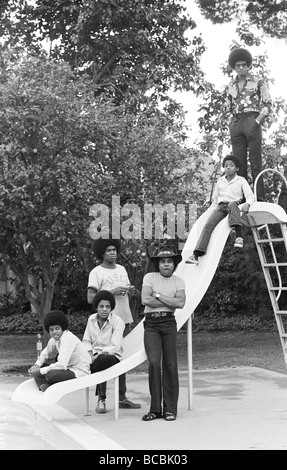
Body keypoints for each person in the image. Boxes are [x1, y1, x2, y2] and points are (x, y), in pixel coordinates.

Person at [87, 237, 141, 409]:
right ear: (102, 252)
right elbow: (90, 298)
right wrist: (111, 292)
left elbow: (127, 295)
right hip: (105, 322)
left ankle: (121, 397)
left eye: (114, 250)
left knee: (121, 359)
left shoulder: (122, 269)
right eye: (109, 250)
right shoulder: (96, 272)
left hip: (123, 320)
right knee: (102, 358)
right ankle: (101, 398)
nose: (113, 253)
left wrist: (131, 292)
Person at [141, 248, 186, 422]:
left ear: (174, 264)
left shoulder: (179, 281)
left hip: (168, 323)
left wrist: (158, 295)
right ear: (157, 264)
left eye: (169, 261)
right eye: (162, 261)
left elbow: (180, 303)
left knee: (170, 364)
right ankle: (155, 409)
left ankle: (170, 409)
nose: (166, 264)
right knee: (153, 362)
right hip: (151, 324)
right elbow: (146, 300)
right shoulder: (149, 278)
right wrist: (169, 300)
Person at [185, 155, 255, 265]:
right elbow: (215, 199)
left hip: (234, 205)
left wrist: (248, 204)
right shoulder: (220, 181)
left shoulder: (241, 180)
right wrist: (209, 211)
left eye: (231, 166)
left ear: (236, 168)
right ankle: (197, 254)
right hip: (221, 207)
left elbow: (250, 196)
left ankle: (239, 236)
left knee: (232, 204)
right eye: (226, 166)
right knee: (208, 226)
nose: (228, 168)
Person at [225, 44, 272, 201]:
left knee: (255, 162)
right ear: (234, 67)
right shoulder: (230, 86)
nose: (241, 68)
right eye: (238, 66)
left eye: (244, 65)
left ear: (248, 65)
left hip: (252, 120)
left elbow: (267, 104)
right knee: (239, 164)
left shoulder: (258, 82)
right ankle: (243, 199)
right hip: (237, 123)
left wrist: (257, 121)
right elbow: (227, 108)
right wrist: (231, 123)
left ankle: (259, 199)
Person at [82, 290, 125, 414]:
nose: (104, 309)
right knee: (81, 358)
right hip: (93, 356)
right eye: (101, 306)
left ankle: (101, 399)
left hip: (112, 356)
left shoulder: (118, 322)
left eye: (108, 307)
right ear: (96, 307)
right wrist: (90, 355)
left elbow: (114, 346)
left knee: (102, 360)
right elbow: (86, 341)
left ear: (111, 308)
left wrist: (97, 357)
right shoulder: (91, 319)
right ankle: (100, 398)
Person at [28, 310, 91, 392]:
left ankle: (48, 386)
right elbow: (45, 353)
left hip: (79, 371)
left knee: (50, 375)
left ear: (62, 328)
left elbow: (61, 365)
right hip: (68, 368)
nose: (54, 332)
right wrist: (36, 366)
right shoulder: (54, 339)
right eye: (51, 330)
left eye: (57, 329)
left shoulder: (67, 338)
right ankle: (45, 386)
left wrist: (39, 371)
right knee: (40, 369)